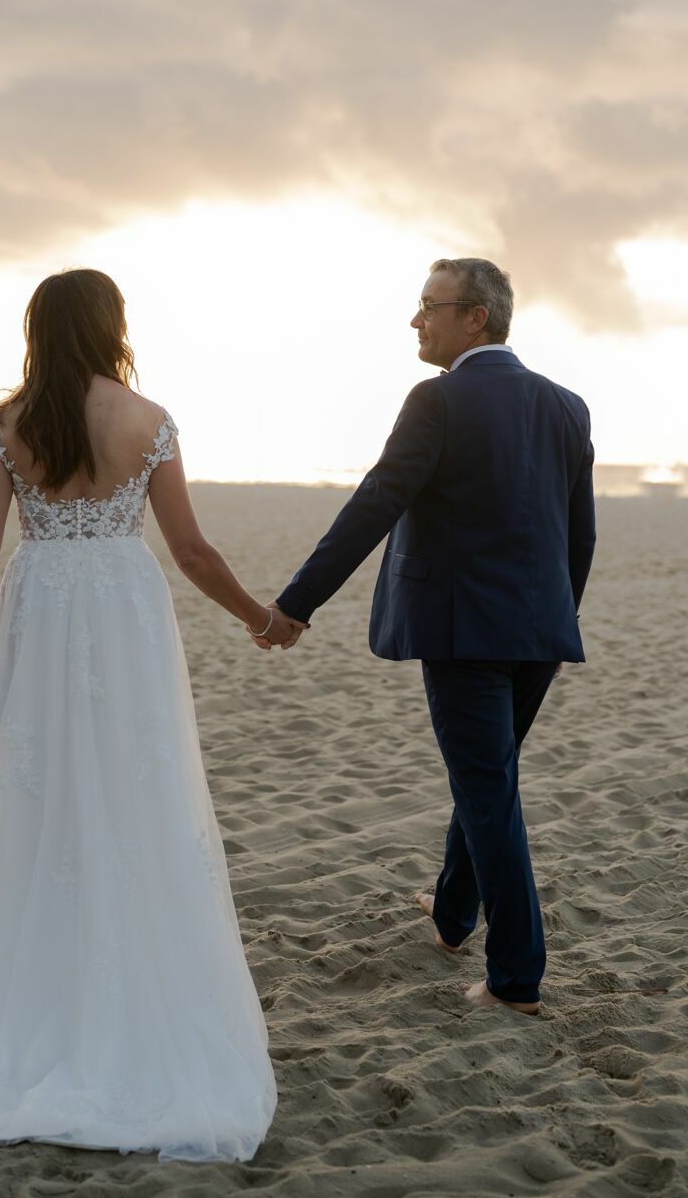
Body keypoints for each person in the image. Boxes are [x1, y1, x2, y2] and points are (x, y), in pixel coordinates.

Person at [0, 269, 278, 1161]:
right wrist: (258, 617)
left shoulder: (12, 424)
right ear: (111, 324)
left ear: (39, 329)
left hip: (38, 612)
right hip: (122, 612)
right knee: (131, 784)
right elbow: (191, 550)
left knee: (34, 794)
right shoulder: (148, 421)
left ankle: (36, 982)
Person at [251, 257, 596, 1015]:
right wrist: (554, 624)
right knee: (488, 777)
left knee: (488, 791)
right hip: (539, 631)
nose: (416, 320)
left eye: (429, 306)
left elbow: (375, 503)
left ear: (476, 317)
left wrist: (297, 605)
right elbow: (581, 536)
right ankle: (451, 915)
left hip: (464, 633)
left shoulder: (436, 400)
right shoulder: (568, 406)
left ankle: (515, 980)